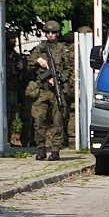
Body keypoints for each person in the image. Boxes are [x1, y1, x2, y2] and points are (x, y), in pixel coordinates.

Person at [29, 20, 73, 161]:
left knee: (58, 120)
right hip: (42, 90)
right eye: (48, 32)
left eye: (53, 32)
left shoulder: (63, 49)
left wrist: (58, 80)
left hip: (57, 89)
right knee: (38, 119)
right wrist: (38, 61)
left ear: (58, 33)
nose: (50, 35)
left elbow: (69, 69)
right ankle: (41, 148)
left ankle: (55, 150)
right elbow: (29, 64)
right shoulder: (39, 49)